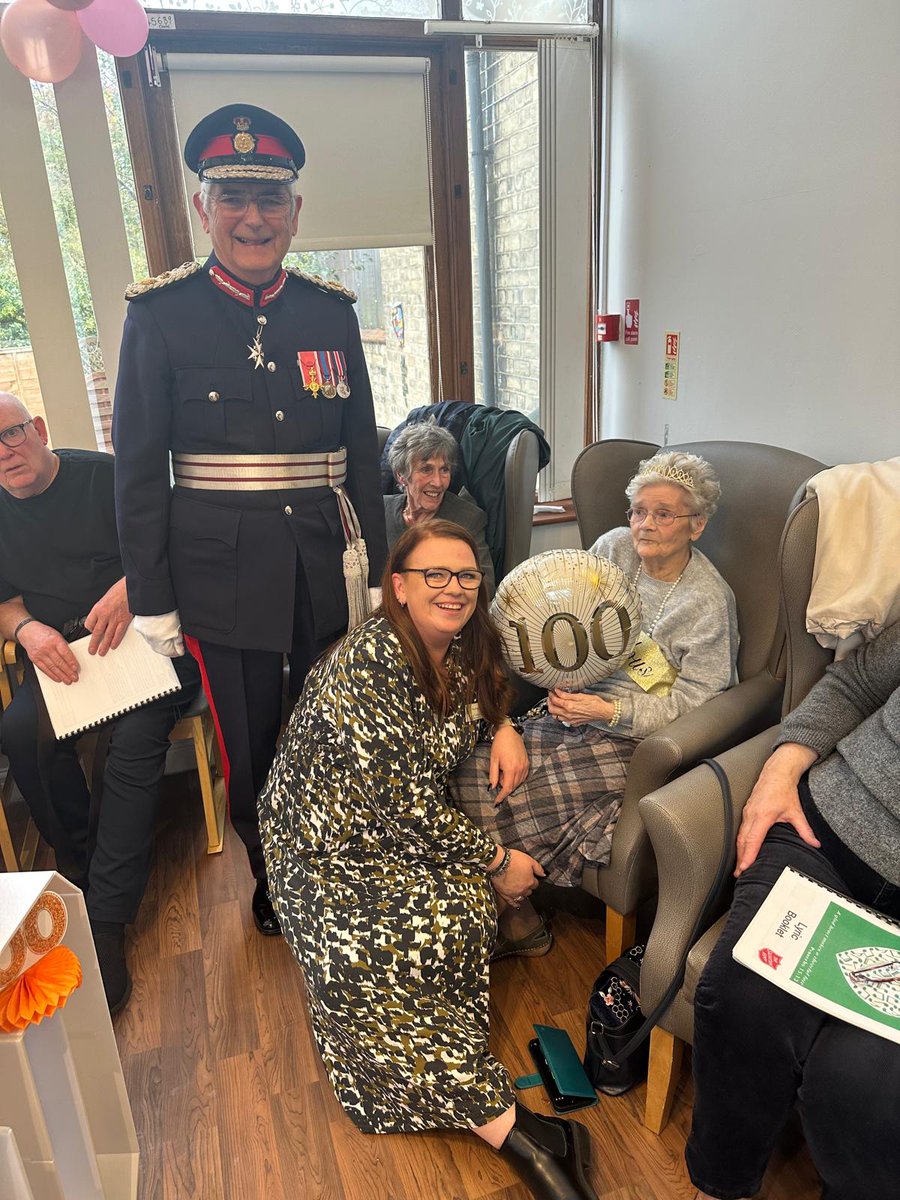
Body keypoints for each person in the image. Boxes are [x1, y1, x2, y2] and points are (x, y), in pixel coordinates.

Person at [258, 520, 598, 1200]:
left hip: (392, 838)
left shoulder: (466, 644)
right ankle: (519, 1132)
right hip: (320, 846)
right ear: (400, 588)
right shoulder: (370, 664)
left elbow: (485, 690)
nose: (454, 588)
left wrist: (502, 726)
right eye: (434, 575)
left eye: (467, 575)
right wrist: (499, 860)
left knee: (458, 913)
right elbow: (405, 806)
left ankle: (523, 1130)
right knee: (368, 956)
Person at [112, 104, 388, 936]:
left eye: (271, 199)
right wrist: (155, 604)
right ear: (204, 208)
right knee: (248, 741)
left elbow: (362, 454)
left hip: (320, 561)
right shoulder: (159, 316)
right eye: (233, 196)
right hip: (218, 572)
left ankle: (334, 858)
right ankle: (276, 876)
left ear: (295, 212)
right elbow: (137, 474)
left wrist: (373, 573)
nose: (253, 217)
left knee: (333, 724)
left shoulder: (330, 311)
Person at [451, 451, 739, 958]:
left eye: (663, 514)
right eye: (638, 511)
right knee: (475, 767)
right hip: (571, 710)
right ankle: (516, 914)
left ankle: (501, 919)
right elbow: (562, 612)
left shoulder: (707, 601)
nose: (644, 526)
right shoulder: (613, 549)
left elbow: (703, 700)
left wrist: (608, 713)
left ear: (697, 525)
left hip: (639, 740)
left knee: (500, 794)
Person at [687, 619, 900, 1200]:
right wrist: (779, 772)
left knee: (864, 1087)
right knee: (743, 997)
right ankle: (721, 1184)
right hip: (822, 837)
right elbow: (856, 683)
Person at [0, 394, 199, 1012]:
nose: (4, 455)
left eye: (10, 435)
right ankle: (80, 869)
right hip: (65, 658)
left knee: (129, 747)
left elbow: (178, 545)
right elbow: (4, 602)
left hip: (143, 644)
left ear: (39, 428)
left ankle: (106, 922)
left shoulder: (107, 477)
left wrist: (128, 588)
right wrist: (26, 631)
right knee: (19, 731)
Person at [384, 422, 495, 595]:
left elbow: (485, 587)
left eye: (444, 470)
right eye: (426, 469)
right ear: (401, 475)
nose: (437, 482)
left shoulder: (467, 519)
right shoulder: (381, 511)